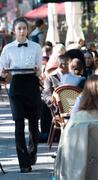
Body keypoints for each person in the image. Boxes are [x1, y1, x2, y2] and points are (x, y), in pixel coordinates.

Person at [0, 17, 42, 173]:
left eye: (24, 28)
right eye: (19, 28)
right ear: (14, 31)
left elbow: (39, 70)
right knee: (18, 122)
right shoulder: (8, 49)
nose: (22, 31)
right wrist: (3, 73)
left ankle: (32, 152)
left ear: (28, 30)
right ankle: (23, 163)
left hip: (31, 85)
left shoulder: (36, 47)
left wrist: (37, 69)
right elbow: (2, 71)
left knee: (33, 123)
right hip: (16, 87)